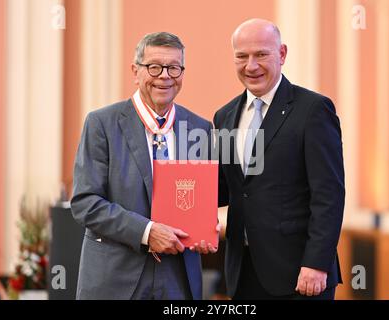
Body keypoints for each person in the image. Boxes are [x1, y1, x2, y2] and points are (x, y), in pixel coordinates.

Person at [71, 32, 217, 300]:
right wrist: (146, 232)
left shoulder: (201, 129)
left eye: (174, 67)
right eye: (154, 67)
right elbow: (85, 203)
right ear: (135, 71)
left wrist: (207, 228)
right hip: (115, 279)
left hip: (179, 279)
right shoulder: (101, 123)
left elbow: (202, 199)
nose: (165, 76)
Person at [213, 19, 345, 300]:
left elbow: (329, 194)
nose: (251, 65)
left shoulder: (313, 110)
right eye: (242, 56)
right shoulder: (223, 117)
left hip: (300, 274)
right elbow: (226, 188)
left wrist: (316, 263)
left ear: (282, 54)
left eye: (261, 54)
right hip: (243, 272)